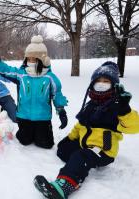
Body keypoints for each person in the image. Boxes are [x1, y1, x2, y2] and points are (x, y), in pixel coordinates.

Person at [33, 61, 139, 199]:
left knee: (81, 156)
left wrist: (125, 110)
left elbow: (134, 127)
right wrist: (70, 138)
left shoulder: (117, 106)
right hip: (86, 144)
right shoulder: (91, 103)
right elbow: (81, 125)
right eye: (98, 81)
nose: (101, 84)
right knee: (63, 150)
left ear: (114, 85)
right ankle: (78, 163)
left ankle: (65, 185)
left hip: (103, 150)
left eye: (106, 81)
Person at [0, 35, 68, 149]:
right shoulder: (21, 75)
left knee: (45, 144)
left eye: (34, 58)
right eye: (28, 58)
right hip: (24, 116)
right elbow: (6, 70)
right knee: (24, 141)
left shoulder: (50, 77)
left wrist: (61, 110)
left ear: (42, 59)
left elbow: (57, 94)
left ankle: (40, 134)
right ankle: (27, 132)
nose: (30, 61)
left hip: (42, 117)